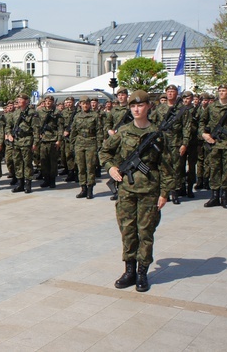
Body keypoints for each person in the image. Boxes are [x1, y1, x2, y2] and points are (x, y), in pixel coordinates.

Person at [99, 90, 174, 292]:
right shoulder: (123, 132)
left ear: (148, 107)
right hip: (126, 191)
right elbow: (104, 152)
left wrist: (164, 193)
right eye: (133, 106)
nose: (136, 109)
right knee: (128, 231)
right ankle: (129, 271)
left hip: (150, 190)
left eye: (140, 105)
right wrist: (111, 168)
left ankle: (142, 273)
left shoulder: (158, 135)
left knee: (146, 232)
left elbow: (167, 166)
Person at [199, 85, 227, 209]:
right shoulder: (211, 107)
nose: (222, 93)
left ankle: (224, 196)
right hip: (214, 143)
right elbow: (202, 122)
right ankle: (214, 196)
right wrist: (204, 135)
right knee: (214, 169)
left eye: (224, 91)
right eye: (220, 91)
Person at [70, 96, 103, 199]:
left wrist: (99, 145)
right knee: (81, 167)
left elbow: (99, 131)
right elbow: (73, 131)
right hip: (79, 143)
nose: (85, 105)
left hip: (91, 142)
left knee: (90, 167)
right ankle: (83, 188)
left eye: (87, 103)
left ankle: (90, 189)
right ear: (80, 104)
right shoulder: (77, 116)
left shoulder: (95, 116)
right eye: (83, 103)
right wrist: (72, 144)